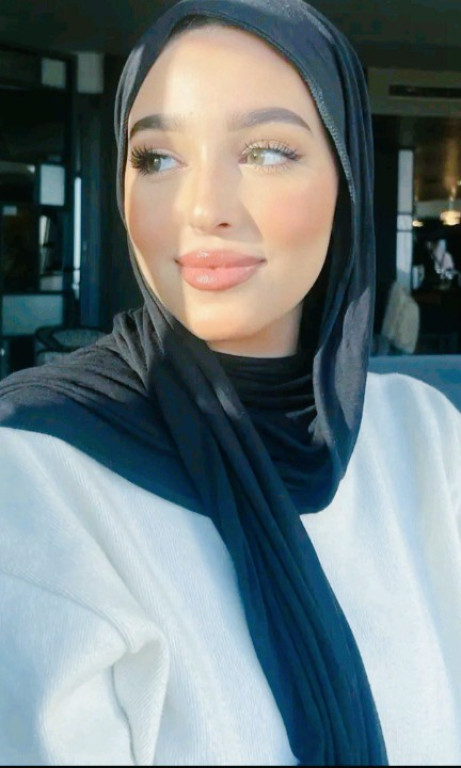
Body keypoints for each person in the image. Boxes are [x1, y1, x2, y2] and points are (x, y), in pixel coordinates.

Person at [0, 0, 460, 764]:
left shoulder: (425, 441)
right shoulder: (35, 475)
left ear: (345, 178)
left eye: (266, 151)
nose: (203, 208)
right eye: (156, 159)